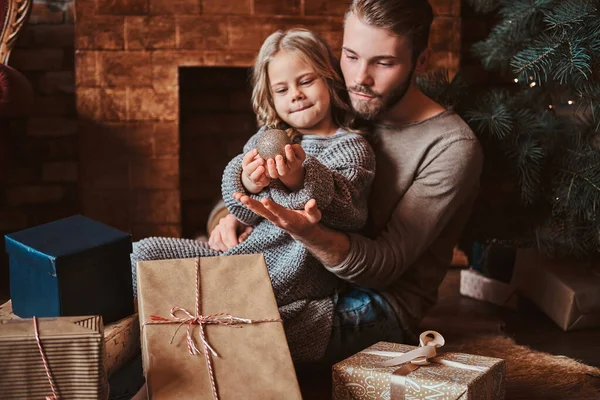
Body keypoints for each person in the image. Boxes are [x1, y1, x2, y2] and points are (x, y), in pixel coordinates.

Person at [209, 0, 484, 363]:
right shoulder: (334, 101)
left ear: (421, 61)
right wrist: (229, 218)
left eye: (383, 63)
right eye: (350, 56)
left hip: (374, 299)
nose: (359, 79)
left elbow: (384, 265)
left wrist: (306, 231)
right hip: (294, 268)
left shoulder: (451, 146)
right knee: (186, 297)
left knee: (228, 335)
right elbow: (247, 185)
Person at [130, 28, 376, 363]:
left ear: (330, 80)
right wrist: (247, 181)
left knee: (240, 326)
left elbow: (350, 213)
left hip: (295, 272)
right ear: (270, 98)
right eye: (282, 88)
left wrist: (298, 178)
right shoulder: (267, 137)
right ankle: (138, 337)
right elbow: (243, 211)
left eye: (306, 81)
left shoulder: (351, 147)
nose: (296, 94)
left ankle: (192, 325)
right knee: (142, 254)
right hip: (244, 259)